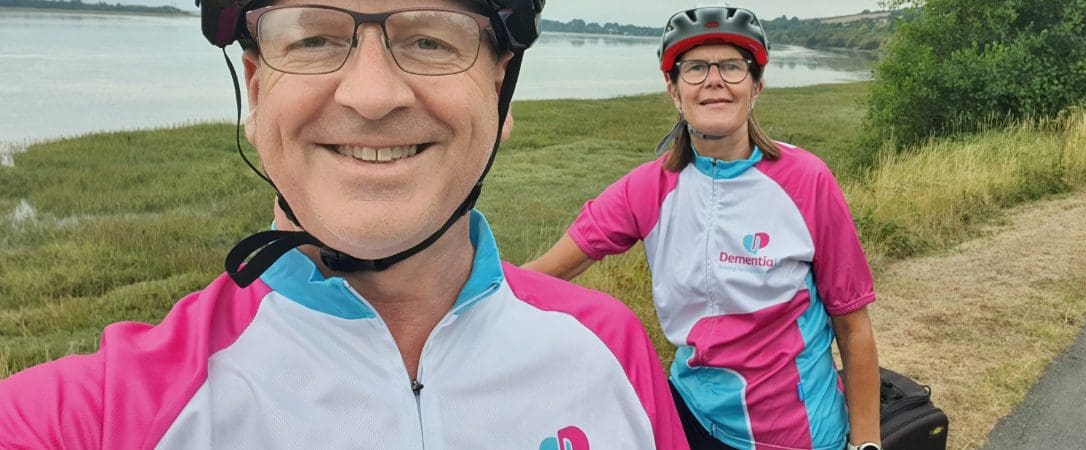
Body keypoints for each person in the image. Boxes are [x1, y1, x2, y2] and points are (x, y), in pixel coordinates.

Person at [0, 0, 688, 448]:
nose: (370, 95)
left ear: (503, 92)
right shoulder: (88, 420)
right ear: (258, 88)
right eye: (313, 37)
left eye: (429, 40)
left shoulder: (609, 350)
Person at [524, 5, 882, 450]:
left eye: (732, 66)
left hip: (795, 434)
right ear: (674, 91)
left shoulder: (806, 181)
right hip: (690, 415)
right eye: (695, 68)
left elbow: (853, 325)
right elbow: (539, 276)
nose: (714, 79)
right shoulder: (649, 189)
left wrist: (866, 444)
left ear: (757, 86)